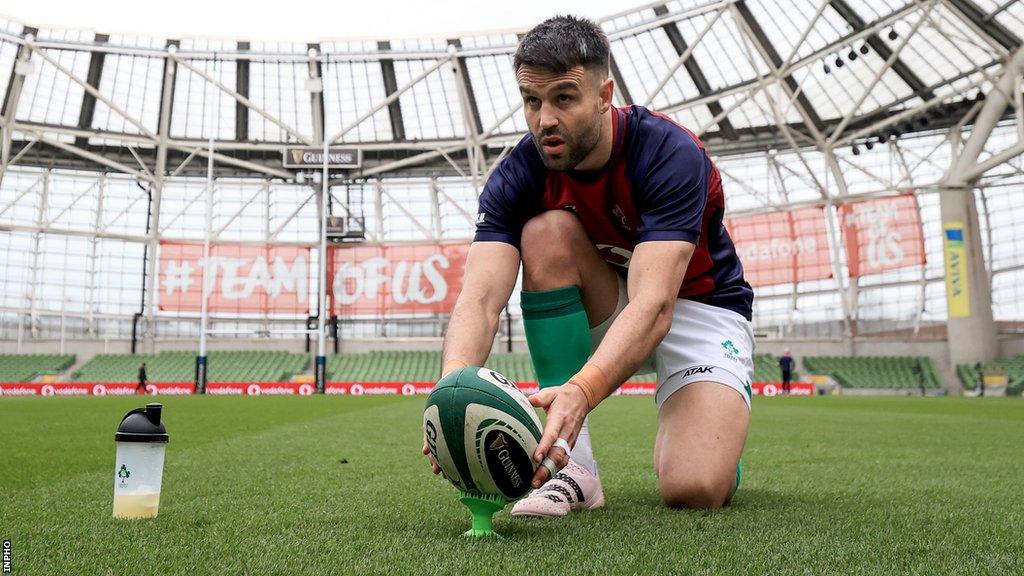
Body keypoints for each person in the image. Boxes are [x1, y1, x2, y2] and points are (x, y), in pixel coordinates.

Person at [422, 15, 754, 513]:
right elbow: (481, 298)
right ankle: (575, 469)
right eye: (532, 101)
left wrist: (582, 389)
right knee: (544, 232)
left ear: (604, 95)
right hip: (611, 302)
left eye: (563, 98)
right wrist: (449, 393)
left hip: (698, 306)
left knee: (694, 489)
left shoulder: (669, 152)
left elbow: (656, 304)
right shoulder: (518, 174)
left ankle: (718, 452)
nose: (544, 120)